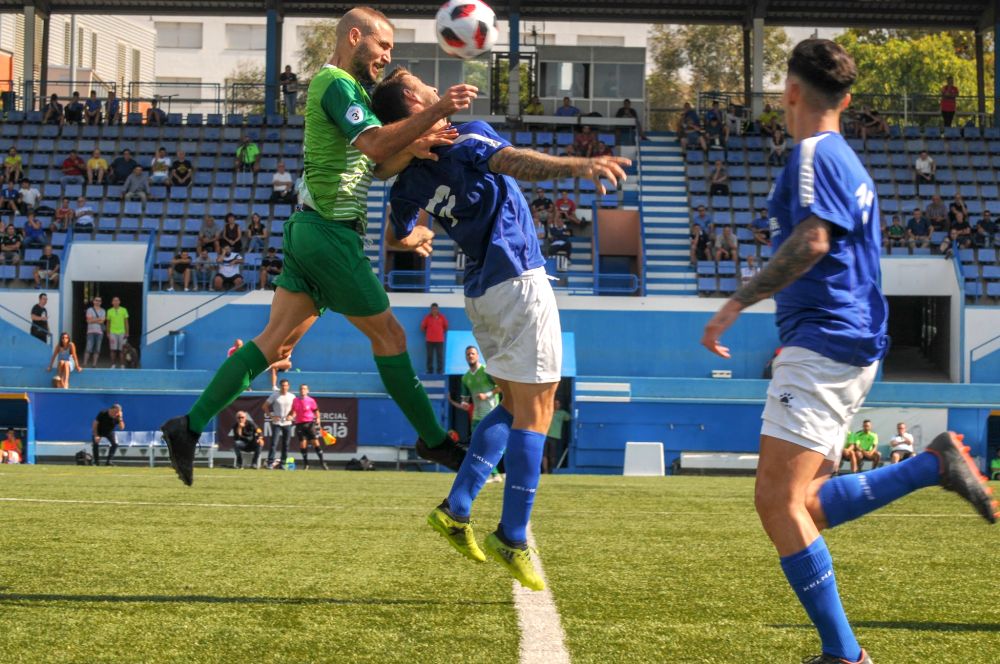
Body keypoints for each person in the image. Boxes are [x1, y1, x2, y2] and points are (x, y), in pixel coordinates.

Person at [699, 39, 996, 664]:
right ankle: (931, 465)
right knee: (805, 503)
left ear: (790, 92)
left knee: (775, 502)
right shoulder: (852, 163)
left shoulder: (811, 153)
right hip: (849, 344)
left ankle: (844, 655)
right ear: (849, 98)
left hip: (825, 342)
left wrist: (736, 303)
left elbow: (810, 242)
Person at [159, 6, 477, 487]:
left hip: (311, 230)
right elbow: (372, 147)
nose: (387, 56)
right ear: (355, 37)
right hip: (330, 234)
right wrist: (437, 108)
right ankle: (433, 438)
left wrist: (410, 148)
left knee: (274, 345)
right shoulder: (335, 83)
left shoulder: (352, 93)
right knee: (389, 337)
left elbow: (371, 164)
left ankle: (188, 427)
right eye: (384, 45)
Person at [371, 65, 629, 592]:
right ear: (414, 106)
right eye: (422, 87)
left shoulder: (409, 177)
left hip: (480, 290)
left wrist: (421, 237)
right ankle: (512, 537)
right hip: (515, 278)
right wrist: (580, 165)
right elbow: (512, 161)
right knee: (539, 407)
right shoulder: (465, 136)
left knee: (513, 405)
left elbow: (398, 234)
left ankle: (457, 506)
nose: (433, 89)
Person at [292, 384, 326, 469]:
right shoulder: (295, 400)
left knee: (316, 443)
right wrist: (291, 416)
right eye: (301, 389)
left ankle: (322, 463)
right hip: (299, 425)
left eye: (304, 389)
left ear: (307, 391)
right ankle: (306, 464)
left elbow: (316, 411)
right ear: (299, 391)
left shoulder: (311, 400)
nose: (302, 390)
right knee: (303, 445)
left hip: (309, 424)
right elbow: (293, 411)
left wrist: (318, 418)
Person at [264, 378, 296, 469]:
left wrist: (292, 416)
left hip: (287, 423)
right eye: (282, 385)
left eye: (286, 385)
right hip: (276, 423)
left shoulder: (292, 396)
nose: (284, 387)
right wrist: (271, 416)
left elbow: (296, 409)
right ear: (280, 386)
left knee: (286, 444)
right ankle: (270, 462)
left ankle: (283, 463)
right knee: (274, 443)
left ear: (288, 386)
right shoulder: (274, 395)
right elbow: (265, 406)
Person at [543, 397, 571, 474]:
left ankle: (551, 469)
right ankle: (545, 471)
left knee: (552, 455)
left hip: (555, 437)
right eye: (554, 403)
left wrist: (571, 408)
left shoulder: (562, 413)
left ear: (560, 405)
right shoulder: (547, 412)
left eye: (557, 403)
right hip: (545, 435)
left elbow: (570, 418)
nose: (556, 405)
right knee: (544, 454)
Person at [420, 303, 448, 374]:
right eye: (433, 309)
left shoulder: (442, 317)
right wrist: (428, 333)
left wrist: (440, 333)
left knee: (440, 356)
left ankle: (440, 371)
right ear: (431, 310)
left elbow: (446, 327)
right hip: (429, 341)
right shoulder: (427, 317)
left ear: (438, 309)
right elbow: (422, 327)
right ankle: (430, 371)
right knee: (429, 356)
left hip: (439, 340)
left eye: (435, 309)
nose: (434, 310)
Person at [106, 296, 129, 369]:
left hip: (122, 332)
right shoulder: (109, 311)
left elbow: (126, 322)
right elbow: (108, 323)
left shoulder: (124, 310)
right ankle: (113, 365)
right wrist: (108, 333)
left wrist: (127, 332)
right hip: (113, 332)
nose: (116, 302)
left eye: (117, 300)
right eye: (114, 301)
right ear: (112, 302)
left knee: (122, 349)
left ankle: (122, 365)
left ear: (119, 302)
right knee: (113, 349)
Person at [84, 296, 106, 367]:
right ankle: (84, 364)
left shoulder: (103, 310)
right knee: (88, 348)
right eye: (96, 300)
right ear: (93, 301)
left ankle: (94, 364)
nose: (98, 302)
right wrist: (98, 319)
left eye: (99, 301)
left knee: (97, 349)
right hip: (90, 332)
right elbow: (88, 321)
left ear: (101, 302)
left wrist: (93, 319)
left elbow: (102, 321)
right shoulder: (89, 310)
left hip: (100, 332)